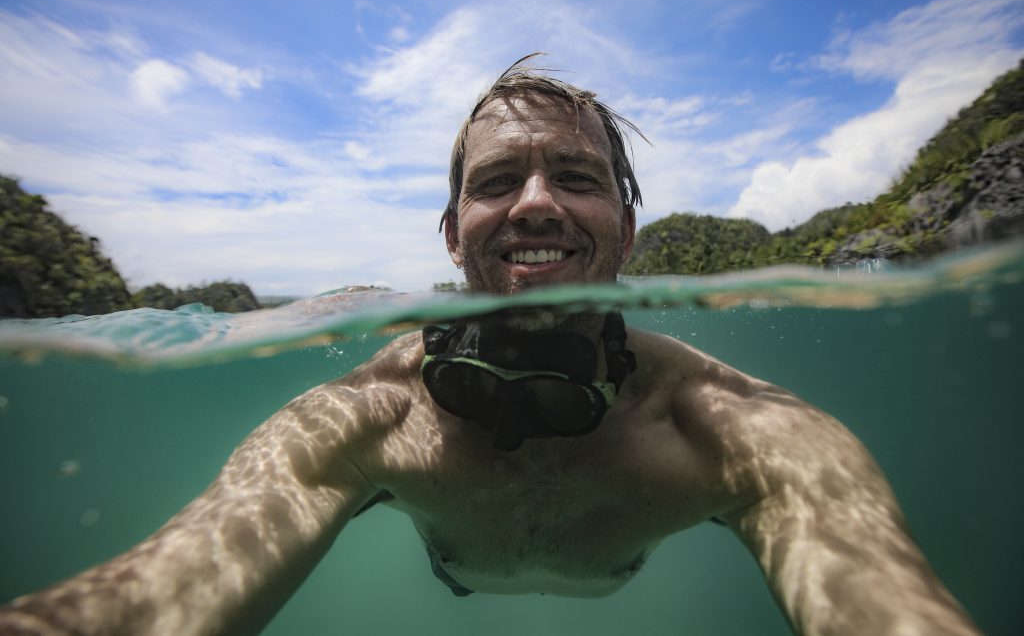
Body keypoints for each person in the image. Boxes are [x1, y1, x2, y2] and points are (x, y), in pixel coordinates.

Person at [0, 56, 980, 636]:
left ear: (628, 235)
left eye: (576, 176)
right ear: (453, 232)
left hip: (610, 570)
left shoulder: (740, 430)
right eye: (499, 178)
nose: (538, 202)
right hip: (456, 564)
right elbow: (157, 593)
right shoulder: (372, 412)